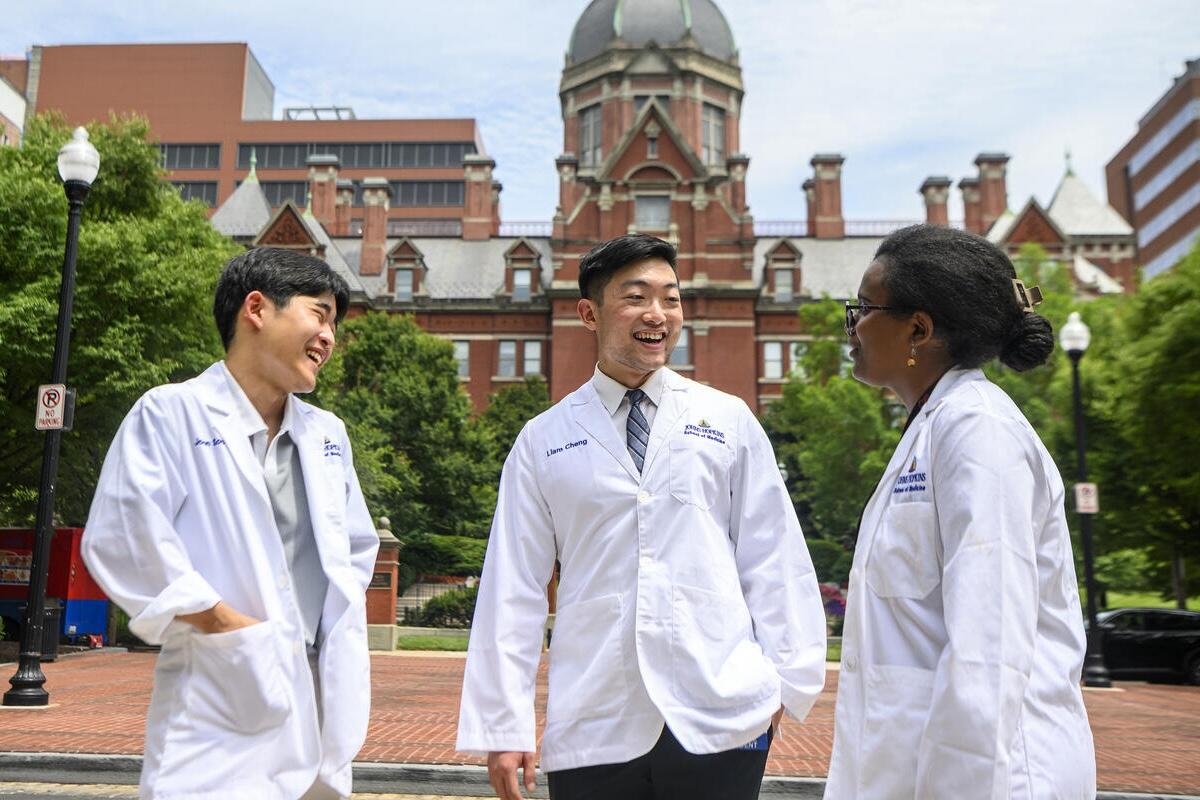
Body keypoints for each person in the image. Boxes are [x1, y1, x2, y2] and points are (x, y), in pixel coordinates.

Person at [456, 234, 827, 800]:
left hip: (720, 712)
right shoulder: (543, 439)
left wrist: (782, 685)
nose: (657, 315)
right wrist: (502, 726)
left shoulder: (727, 419)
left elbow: (773, 554)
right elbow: (514, 587)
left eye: (671, 299)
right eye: (636, 297)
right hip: (596, 717)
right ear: (589, 313)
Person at [82, 247, 379, 799]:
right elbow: (123, 535)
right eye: (320, 314)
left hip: (320, 697)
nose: (329, 338)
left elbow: (356, 549)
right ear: (257, 308)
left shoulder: (328, 434)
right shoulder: (171, 412)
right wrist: (223, 624)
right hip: (219, 698)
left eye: (334, 324)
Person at [826, 224, 1096, 798]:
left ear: (918, 329)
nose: (851, 327)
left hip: (988, 776)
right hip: (917, 766)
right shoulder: (936, 425)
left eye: (863, 309)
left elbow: (987, 646)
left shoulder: (978, 430)